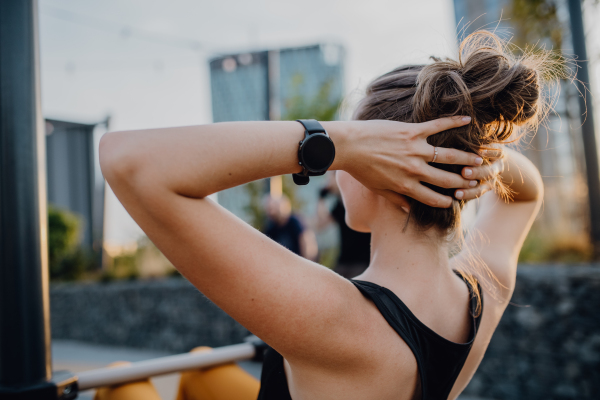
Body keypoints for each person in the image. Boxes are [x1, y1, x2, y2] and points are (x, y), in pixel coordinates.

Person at [97, 31, 551, 400]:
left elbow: (127, 161)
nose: (336, 175)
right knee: (202, 372)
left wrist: (340, 142)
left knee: (120, 381)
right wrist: (462, 152)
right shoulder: (481, 290)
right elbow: (526, 193)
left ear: (382, 170)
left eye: (349, 159)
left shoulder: (335, 318)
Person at [317, 173, 371, 278]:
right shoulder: (338, 205)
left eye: (330, 178)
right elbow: (320, 224)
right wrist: (321, 198)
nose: (328, 182)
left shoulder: (359, 200)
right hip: (344, 260)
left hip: (362, 262)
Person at [264, 194, 317, 260]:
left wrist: (306, 264)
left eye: (274, 208)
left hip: (300, 263)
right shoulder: (271, 228)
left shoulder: (295, 222)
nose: (272, 212)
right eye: (269, 209)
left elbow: (307, 242)